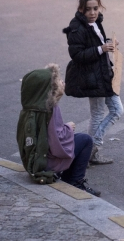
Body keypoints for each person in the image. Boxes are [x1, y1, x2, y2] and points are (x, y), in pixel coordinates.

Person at [17, 64, 100, 196]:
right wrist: (68, 127)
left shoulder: (30, 108)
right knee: (86, 140)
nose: (63, 82)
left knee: (78, 139)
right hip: (45, 162)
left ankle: (67, 176)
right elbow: (57, 142)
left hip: (33, 160)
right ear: (50, 89)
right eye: (58, 81)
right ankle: (74, 181)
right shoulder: (50, 110)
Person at [63, 0, 124, 165]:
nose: (92, 13)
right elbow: (77, 55)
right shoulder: (76, 27)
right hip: (92, 77)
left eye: (95, 8)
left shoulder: (96, 22)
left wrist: (108, 43)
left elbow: (95, 43)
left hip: (103, 74)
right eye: (88, 9)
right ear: (81, 9)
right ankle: (90, 151)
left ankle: (90, 149)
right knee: (97, 114)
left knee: (117, 110)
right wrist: (101, 49)